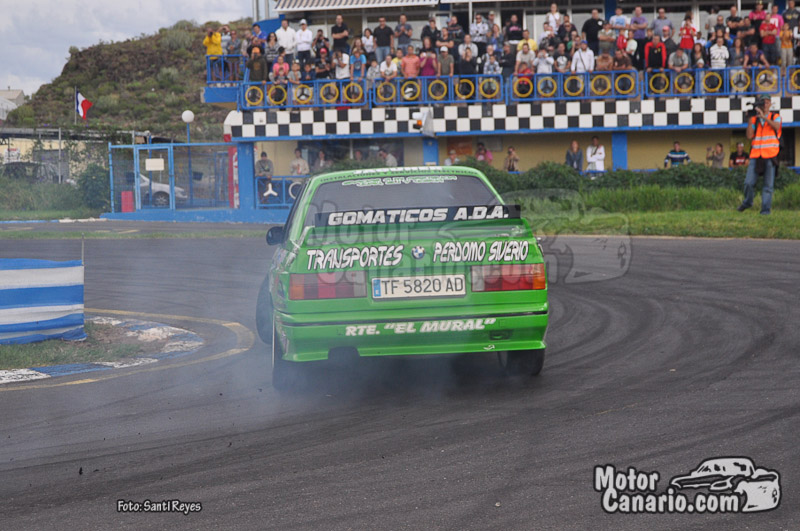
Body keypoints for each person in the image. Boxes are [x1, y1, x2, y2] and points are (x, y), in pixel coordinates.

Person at [738, 97, 781, 214]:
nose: (765, 104)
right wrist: (750, 119)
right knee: (748, 182)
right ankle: (748, 202)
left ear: (770, 104)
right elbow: (749, 136)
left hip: (770, 155)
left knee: (768, 185)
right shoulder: (754, 119)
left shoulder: (775, 116)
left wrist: (764, 117)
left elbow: (777, 127)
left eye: (767, 102)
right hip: (756, 155)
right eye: (763, 102)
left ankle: (765, 210)